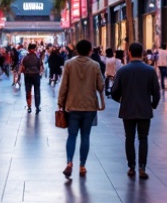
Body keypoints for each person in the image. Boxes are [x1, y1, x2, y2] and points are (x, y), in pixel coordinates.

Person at [111, 42, 160, 179]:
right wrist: (152, 105)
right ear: (142, 53)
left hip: (128, 110)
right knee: (143, 138)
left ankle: (131, 167)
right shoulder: (150, 71)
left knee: (129, 138)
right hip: (145, 109)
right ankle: (142, 167)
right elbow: (156, 93)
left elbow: (114, 91)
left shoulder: (123, 71)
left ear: (129, 53)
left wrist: (122, 100)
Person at [58, 39, 104, 178]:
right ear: (90, 50)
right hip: (89, 106)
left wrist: (60, 102)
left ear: (76, 49)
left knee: (72, 135)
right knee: (85, 136)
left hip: (72, 105)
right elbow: (100, 86)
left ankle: (69, 162)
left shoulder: (69, 64)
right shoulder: (95, 65)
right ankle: (82, 166)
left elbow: (64, 85)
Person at [21, 44, 43, 112]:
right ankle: (37, 107)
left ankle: (29, 106)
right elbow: (41, 67)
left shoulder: (25, 58)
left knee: (28, 91)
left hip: (27, 75)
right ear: (35, 49)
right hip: (36, 75)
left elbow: (23, 67)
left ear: (28, 49)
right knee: (37, 91)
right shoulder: (37, 57)